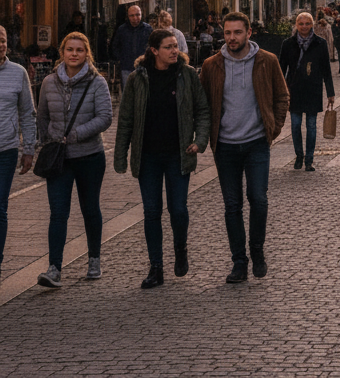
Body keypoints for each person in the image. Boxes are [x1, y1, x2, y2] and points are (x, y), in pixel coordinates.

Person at [114, 28, 211, 289]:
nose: (174, 51)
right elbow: (125, 119)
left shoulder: (187, 75)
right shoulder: (137, 78)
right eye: (168, 47)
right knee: (151, 212)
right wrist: (121, 155)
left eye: (175, 46)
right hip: (148, 157)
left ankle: (180, 248)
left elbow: (202, 110)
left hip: (178, 154)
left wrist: (199, 141)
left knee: (178, 209)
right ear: (154, 50)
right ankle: (156, 266)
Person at [200, 12, 289, 283]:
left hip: (256, 143)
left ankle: (257, 251)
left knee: (258, 200)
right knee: (232, 205)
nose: (231, 38)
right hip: (225, 145)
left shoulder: (267, 61)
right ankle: (239, 261)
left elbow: (282, 96)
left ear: (249, 33)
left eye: (237, 32)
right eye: (227, 33)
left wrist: (272, 128)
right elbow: (203, 104)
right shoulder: (211, 65)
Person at [36, 32, 113, 288]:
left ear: (86, 53)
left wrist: (77, 134)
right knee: (58, 213)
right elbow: (42, 116)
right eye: (70, 49)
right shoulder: (48, 82)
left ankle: (94, 259)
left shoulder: (97, 83)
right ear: (63, 52)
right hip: (59, 159)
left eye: (80, 50)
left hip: (90, 156)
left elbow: (105, 117)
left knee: (90, 209)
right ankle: (54, 268)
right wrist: (50, 139)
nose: (74, 54)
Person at [0, 24, 35, 285]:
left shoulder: (18, 72)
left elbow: (27, 112)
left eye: (2, 40)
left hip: (7, 148)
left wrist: (29, 149)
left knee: (0, 206)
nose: (0, 45)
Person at [279, 12, 335, 172]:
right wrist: (280, 90)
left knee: (311, 126)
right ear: (297, 25)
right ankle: (299, 155)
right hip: (294, 89)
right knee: (295, 125)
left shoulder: (320, 43)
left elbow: (326, 69)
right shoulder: (288, 44)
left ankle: (309, 159)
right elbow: (281, 69)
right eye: (301, 24)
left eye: (307, 24)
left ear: (312, 25)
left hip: (313, 88)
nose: (304, 27)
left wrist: (330, 92)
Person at [111, 5, 152, 93]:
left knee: (143, 92)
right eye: (132, 15)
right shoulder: (122, 30)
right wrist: (121, 58)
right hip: (126, 66)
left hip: (143, 66)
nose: (135, 18)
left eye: (137, 15)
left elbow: (152, 46)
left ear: (141, 15)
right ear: (128, 16)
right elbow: (115, 46)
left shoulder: (147, 29)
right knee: (128, 92)